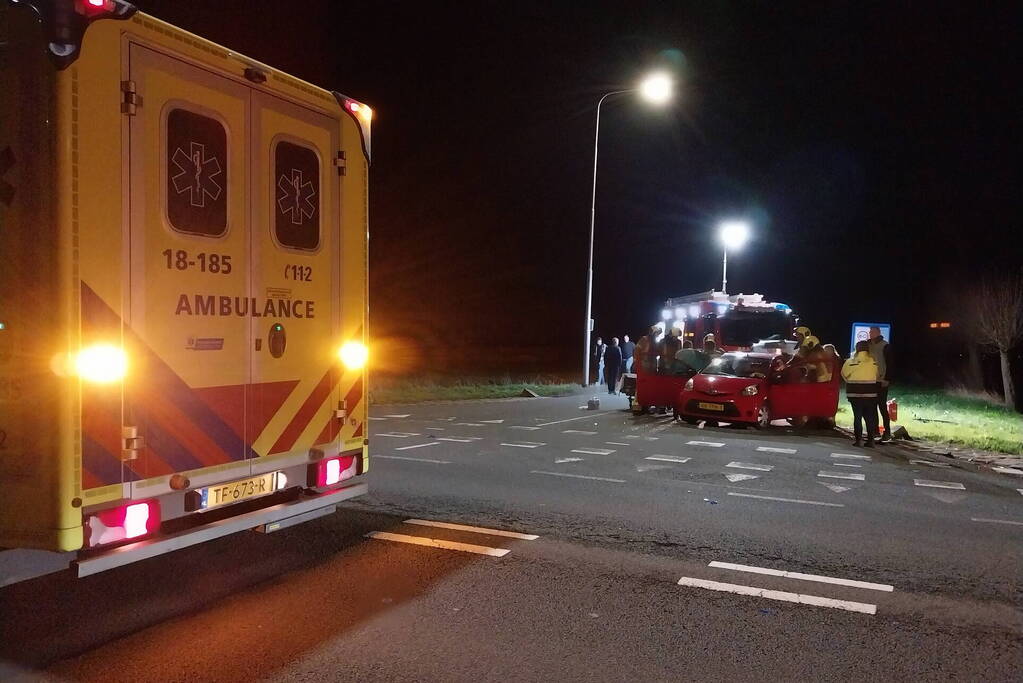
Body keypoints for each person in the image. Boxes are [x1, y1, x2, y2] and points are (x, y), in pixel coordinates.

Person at [841, 340, 880, 447]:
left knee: (857, 416)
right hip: (870, 393)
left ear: (856, 348)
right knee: (869, 417)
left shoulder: (850, 361)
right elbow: (877, 375)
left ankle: (858, 441)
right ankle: (871, 441)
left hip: (855, 393)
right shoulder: (873, 361)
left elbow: (844, 374)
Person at [868, 326, 893, 442]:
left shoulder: (885, 345)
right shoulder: (868, 345)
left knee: (882, 406)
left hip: (881, 380)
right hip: (871, 379)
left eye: (872, 332)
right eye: (869, 332)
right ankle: (875, 431)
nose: (870, 333)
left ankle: (887, 432)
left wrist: (887, 378)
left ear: (878, 333)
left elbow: (890, 363)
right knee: (872, 406)